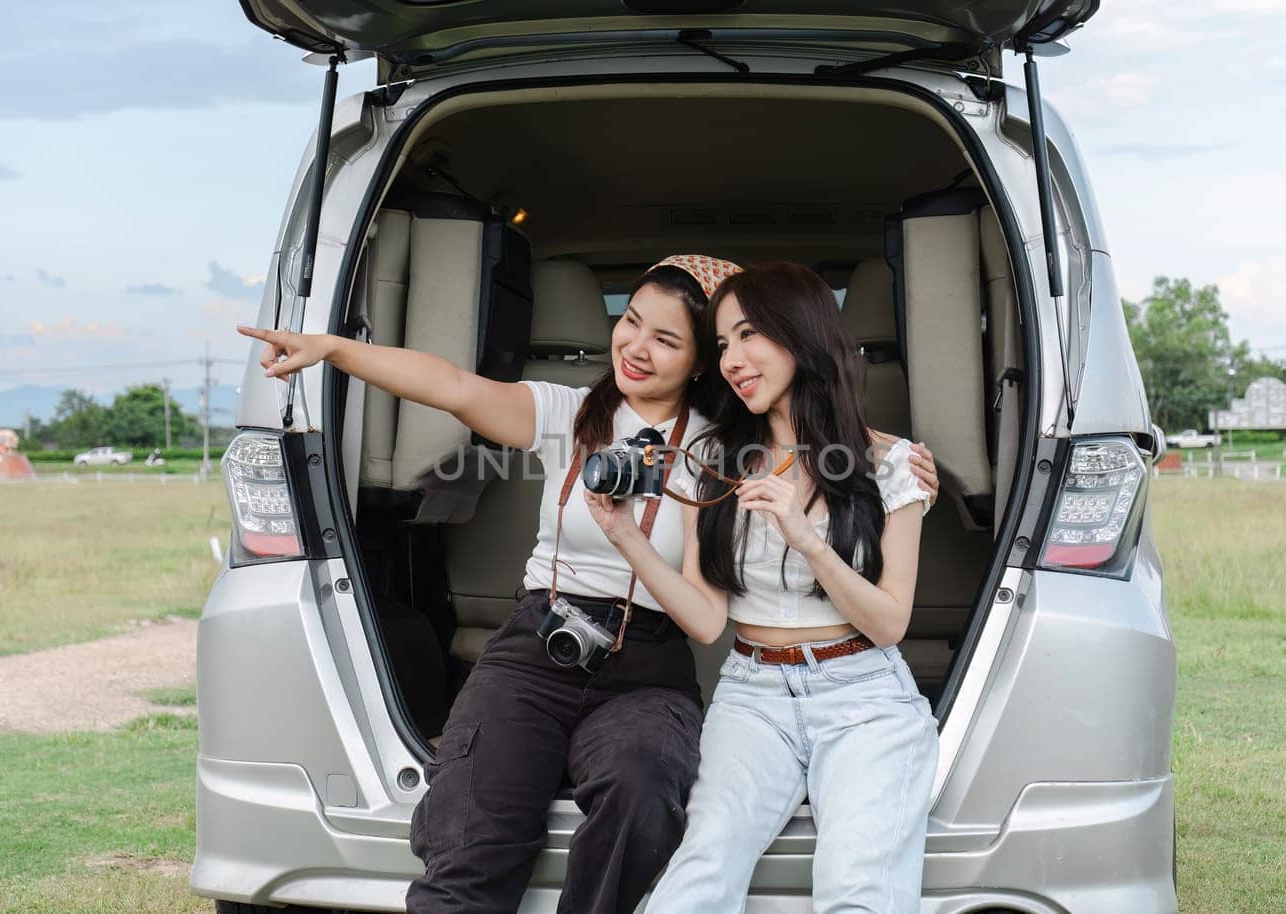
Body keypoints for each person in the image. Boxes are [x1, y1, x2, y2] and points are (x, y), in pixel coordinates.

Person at [238, 255, 938, 914]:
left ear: (701, 366)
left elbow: (807, 454)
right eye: (630, 320)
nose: (636, 346)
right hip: (540, 640)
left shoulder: (716, 448)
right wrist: (334, 350)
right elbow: (452, 386)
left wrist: (894, 463)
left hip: (653, 661)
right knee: (475, 821)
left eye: (669, 339)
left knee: (644, 789)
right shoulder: (573, 415)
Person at [585, 262, 939, 914]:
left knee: (857, 891)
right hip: (753, 696)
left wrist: (805, 535)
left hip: (865, 697)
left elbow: (889, 624)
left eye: (749, 335)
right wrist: (626, 537)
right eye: (721, 344)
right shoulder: (714, 459)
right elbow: (707, 618)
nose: (732, 360)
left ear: (800, 336)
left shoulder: (891, 464)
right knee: (698, 873)